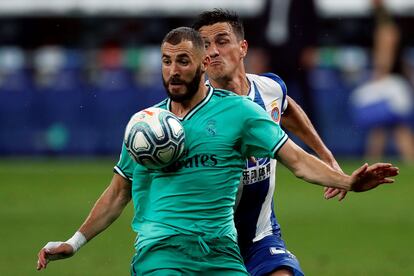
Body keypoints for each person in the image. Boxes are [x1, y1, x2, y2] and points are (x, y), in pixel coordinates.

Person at [36, 27, 398, 275]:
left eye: (182, 61)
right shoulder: (144, 126)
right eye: (166, 61)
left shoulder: (239, 113)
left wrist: (347, 181)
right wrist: (74, 242)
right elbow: (118, 192)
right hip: (161, 253)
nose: (173, 71)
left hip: (221, 253)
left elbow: (297, 162)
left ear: (201, 64)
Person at [192, 9, 341, 276]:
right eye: (204, 45)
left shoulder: (268, 88)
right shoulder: (192, 112)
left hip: (260, 239)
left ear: (243, 48)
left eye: (222, 41)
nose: (212, 51)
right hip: (209, 246)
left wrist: (325, 155)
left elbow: (287, 108)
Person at [351, 0, 414, 162]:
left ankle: (375, 161)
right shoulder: (391, 25)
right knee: (384, 127)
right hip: (397, 79)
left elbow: (385, 53)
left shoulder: (385, 26)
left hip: (389, 81)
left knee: (394, 126)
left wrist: (379, 76)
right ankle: (373, 161)